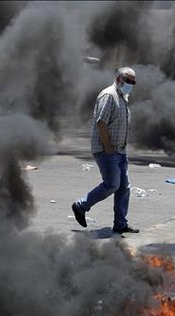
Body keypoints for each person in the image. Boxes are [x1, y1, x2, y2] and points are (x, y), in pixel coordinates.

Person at [71, 67, 139, 234]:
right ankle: (81, 205)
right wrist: (108, 148)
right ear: (118, 79)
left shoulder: (123, 97)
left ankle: (120, 223)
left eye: (133, 82)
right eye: (127, 80)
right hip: (107, 150)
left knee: (124, 188)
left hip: (120, 151)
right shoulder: (109, 95)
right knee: (112, 184)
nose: (130, 84)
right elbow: (101, 123)